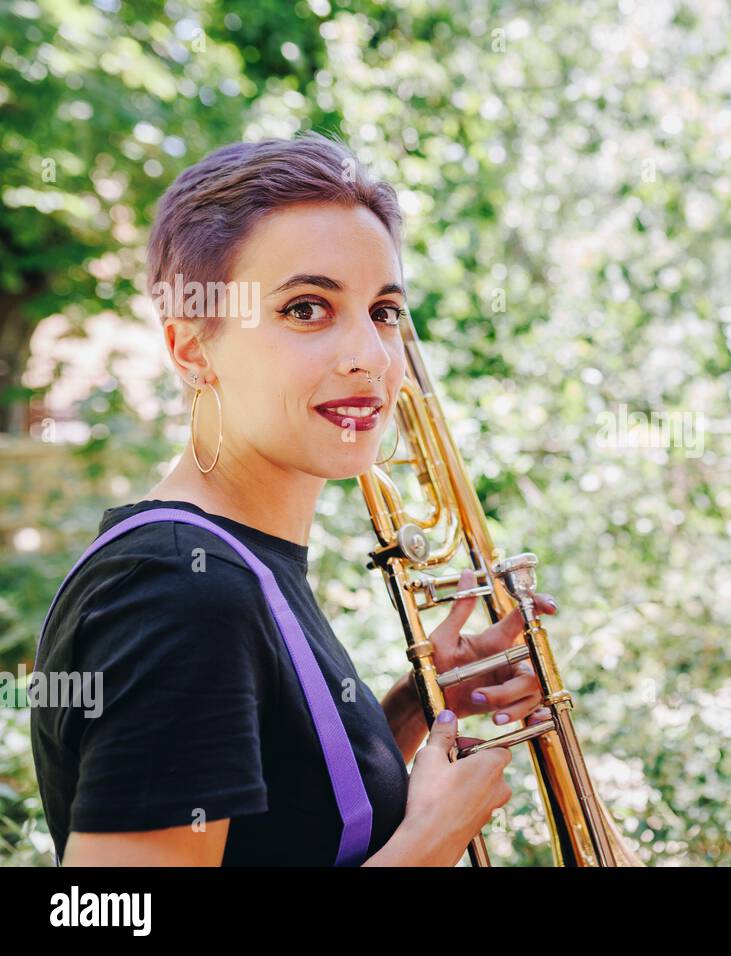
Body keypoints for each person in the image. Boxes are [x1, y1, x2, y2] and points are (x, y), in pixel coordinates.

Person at [31, 132, 550, 866]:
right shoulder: (180, 590)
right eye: (306, 309)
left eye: (384, 311)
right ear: (191, 349)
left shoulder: (235, 562)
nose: (369, 356)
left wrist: (414, 708)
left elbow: (278, 830)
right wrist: (429, 845)